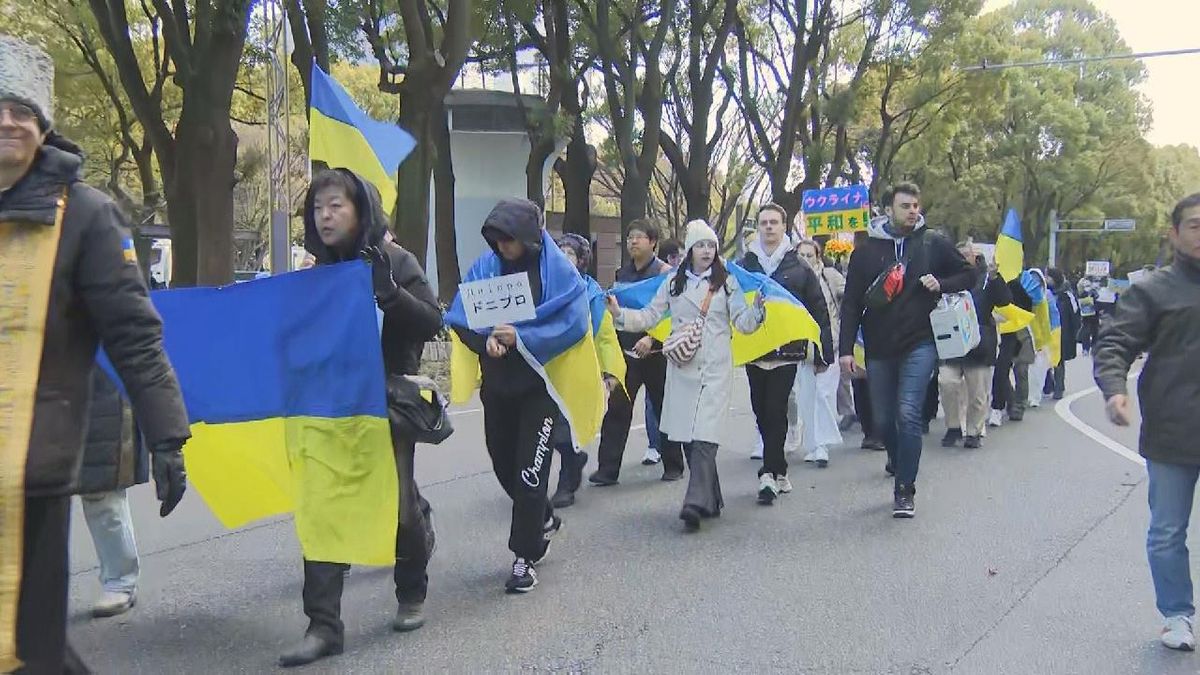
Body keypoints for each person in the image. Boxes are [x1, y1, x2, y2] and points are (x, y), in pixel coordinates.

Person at [0, 35, 190, 673]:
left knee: (31, 646)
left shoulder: (86, 215)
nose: (6, 121)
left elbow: (135, 335)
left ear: (44, 125)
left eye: (22, 110)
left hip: (35, 465)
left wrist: (167, 438)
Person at [279, 168, 442, 667]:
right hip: (326, 407)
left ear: (360, 210)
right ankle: (324, 625)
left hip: (384, 407)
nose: (325, 216)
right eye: (318, 208)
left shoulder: (395, 260)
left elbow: (433, 321)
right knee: (321, 510)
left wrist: (390, 294)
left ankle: (411, 587)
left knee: (398, 508)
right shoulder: (314, 272)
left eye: (336, 206)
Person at [1093, 192, 1200, 651]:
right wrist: (1114, 388)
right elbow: (1115, 341)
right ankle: (1176, 615)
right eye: (1195, 225)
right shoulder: (1153, 289)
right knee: (1167, 531)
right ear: (1174, 234)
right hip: (1173, 431)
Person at [608, 220, 764, 530]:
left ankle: (694, 501)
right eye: (701, 245)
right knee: (691, 437)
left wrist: (758, 309)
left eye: (711, 246)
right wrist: (619, 314)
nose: (707, 251)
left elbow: (743, 323)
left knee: (705, 433)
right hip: (682, 366)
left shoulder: (727, 282)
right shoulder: (672, 284)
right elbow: (650, 316)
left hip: (715, 368)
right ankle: (713, 497)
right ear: (690, 249)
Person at [449, 198, 571, 593]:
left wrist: (523, 337)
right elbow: (459, 317)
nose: (503, 247)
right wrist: (487, 342)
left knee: (530, 471)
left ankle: (524, 557)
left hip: (540, 389)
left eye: (509, 240)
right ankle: (543, 516)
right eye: (496, 240)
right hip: (498, 388)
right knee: (503, 462)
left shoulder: (557, 272)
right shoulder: (484, 269)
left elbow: (575, 322)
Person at [838, 182, 974, 518]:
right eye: (905, 206)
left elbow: (970, 274)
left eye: (916, 205)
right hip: (879, 346)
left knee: (908, 412)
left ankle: (904, 489)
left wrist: (941, 283)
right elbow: (852, 303)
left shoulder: (932, 243)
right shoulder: (867, 250)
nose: (913, 211)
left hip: (920, 342)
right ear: (888, 210)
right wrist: (845, 351)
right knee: (883, 420)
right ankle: (898, 461)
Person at [740, 208, 832, 504]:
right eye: (763, 223)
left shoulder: (799, 267)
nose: (768, 228)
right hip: (754, 349)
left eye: (774, 223)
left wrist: (822, 351)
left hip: (787, 352)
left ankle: (768, 472)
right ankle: (778, 468)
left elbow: (818, 310)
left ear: (783, 227)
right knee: (759, 409)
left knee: (776, 408)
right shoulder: (745, 266)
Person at [590, 220, 685, 485]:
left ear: (653, 242)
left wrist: (652, 339)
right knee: (617, 410)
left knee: (665, 409)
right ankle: (607, 471)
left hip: (657, 354)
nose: (633, 241)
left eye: (639, 237)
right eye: (630, 237)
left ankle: (674, 465)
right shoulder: (623, 275)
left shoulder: (667, 274)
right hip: (627, 353)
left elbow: (672, 313)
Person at [549, 233, 622, 508]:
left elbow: (604, 337)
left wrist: (610, 372)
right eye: (561, 252)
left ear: (581, 261)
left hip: (580, 372)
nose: (564, 258)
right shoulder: (544, 288)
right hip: (547, 370)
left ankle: (567, 482)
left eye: (570, 254)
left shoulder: (592, 295)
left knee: (565, 431)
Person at [77, 371, 144, 619]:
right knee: (29, 496)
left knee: (101, 490)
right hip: (26, 384)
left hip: (98, 382)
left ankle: (120, 581)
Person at [937, 241, 1012, 449]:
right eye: (958, 255)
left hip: (978, 342)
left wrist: (996, 278)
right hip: (951, 341)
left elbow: (1005, 299)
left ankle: (974, 431)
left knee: (977, 391)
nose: (963, 258)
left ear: (973, 256)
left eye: (966, 255)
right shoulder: (947, 278)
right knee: (947, 381)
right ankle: (953, 427)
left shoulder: (986, 277)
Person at [792, 238, 841, 468]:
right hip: (803, 347)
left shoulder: (829, 277)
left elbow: (848, 296)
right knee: (807, 396)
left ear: (818, 257)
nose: (805, 260)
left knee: (824, 394)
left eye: (809, 256)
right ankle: (813, 444)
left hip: (830, 343)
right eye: (801, 256)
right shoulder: (794, 278)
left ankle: (823, 444)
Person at [990, 272, 1037, 426]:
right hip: (1002, 330)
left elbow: (1030, 305)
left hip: (1021, 331)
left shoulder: (1020, 283)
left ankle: (1019, 405)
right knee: (1001, 371)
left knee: (1021, 370)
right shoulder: (989, 282)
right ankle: (1011, 403)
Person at [1042, 268, 1080, 400]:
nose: (1046, 279)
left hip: (1062, 332)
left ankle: (1059, 387)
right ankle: (1048, 385)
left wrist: (1075, 333)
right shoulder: (1044, 292)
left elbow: (1075, 314)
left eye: (1049, 277)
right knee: (1043, 358)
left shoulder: (1067, 295)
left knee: (1058, 360)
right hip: (1046, 329)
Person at [1077, 277, 1100, 353]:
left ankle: (1094, 347)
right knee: (1086, 330)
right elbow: (1079, 293)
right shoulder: (1083, 282)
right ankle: (1085, 348)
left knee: (1095, 330)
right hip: (1086, 313)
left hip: (1095, 312)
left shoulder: (1096, 286)